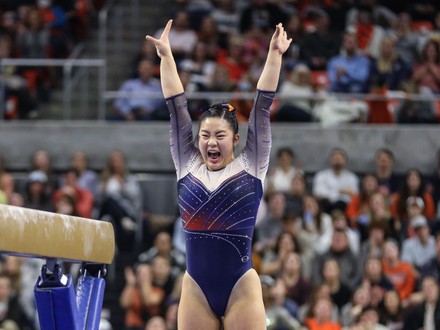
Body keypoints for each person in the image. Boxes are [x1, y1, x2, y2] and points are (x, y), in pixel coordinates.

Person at [146, 19, 291, 329]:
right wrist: (167, 58)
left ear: (235, 140)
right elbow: (176, 108)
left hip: (240, 286)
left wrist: (275, 55)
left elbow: (262, 108)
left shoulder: (251, 165)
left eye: (219, 136)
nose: (211, 142)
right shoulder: (188, 163)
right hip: (196, 288)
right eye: (205, 135)